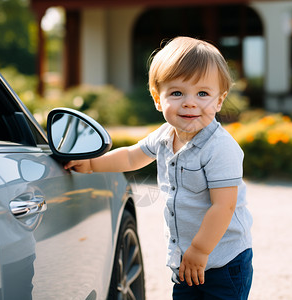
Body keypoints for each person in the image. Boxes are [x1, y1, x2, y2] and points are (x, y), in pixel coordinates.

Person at [65, 36, 253, 300]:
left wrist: (200, 250)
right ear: (157, 98)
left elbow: (224, 206)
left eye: (203, 93)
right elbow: (131, 157)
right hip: (187, 259)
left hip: (222, 261)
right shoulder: (166, 135)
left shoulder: (219, 148)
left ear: (219, 101)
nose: (190, 102)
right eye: (177, 93)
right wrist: (93, 163)